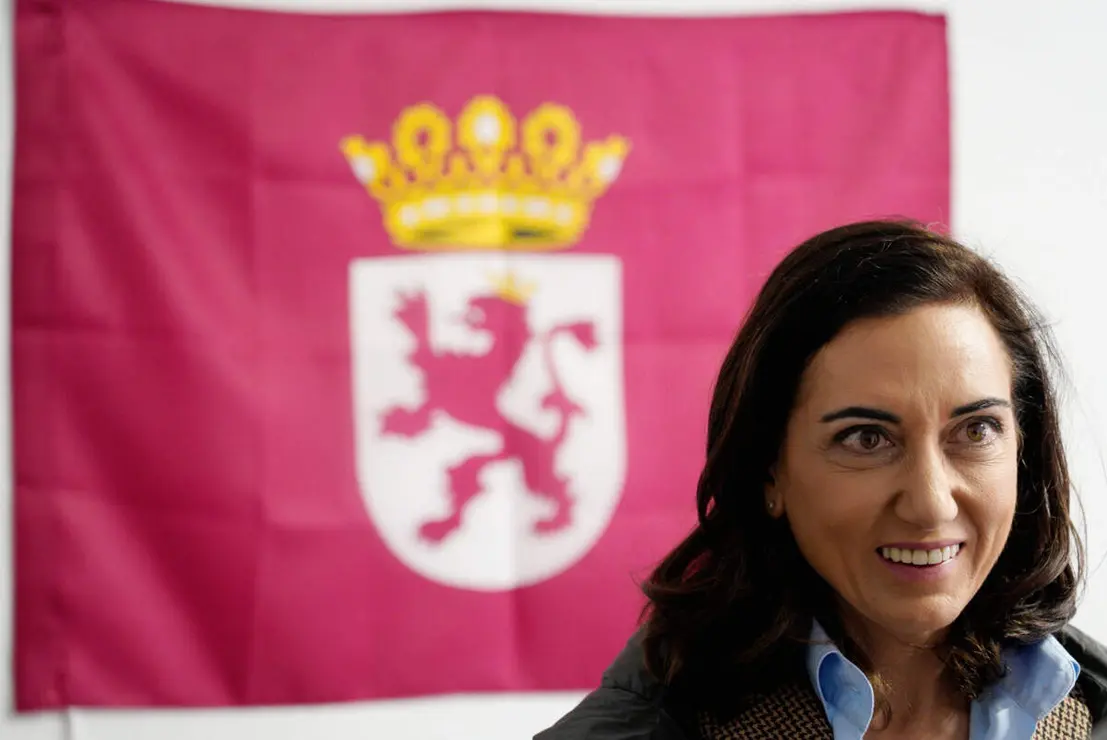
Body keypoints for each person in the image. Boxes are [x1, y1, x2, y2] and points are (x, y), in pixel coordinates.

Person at [536, 220, 1107, 739]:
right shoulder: (650, 727)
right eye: (867, 438)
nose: (931, 504)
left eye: (977, 429)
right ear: (769, 471)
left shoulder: (1089, 710)